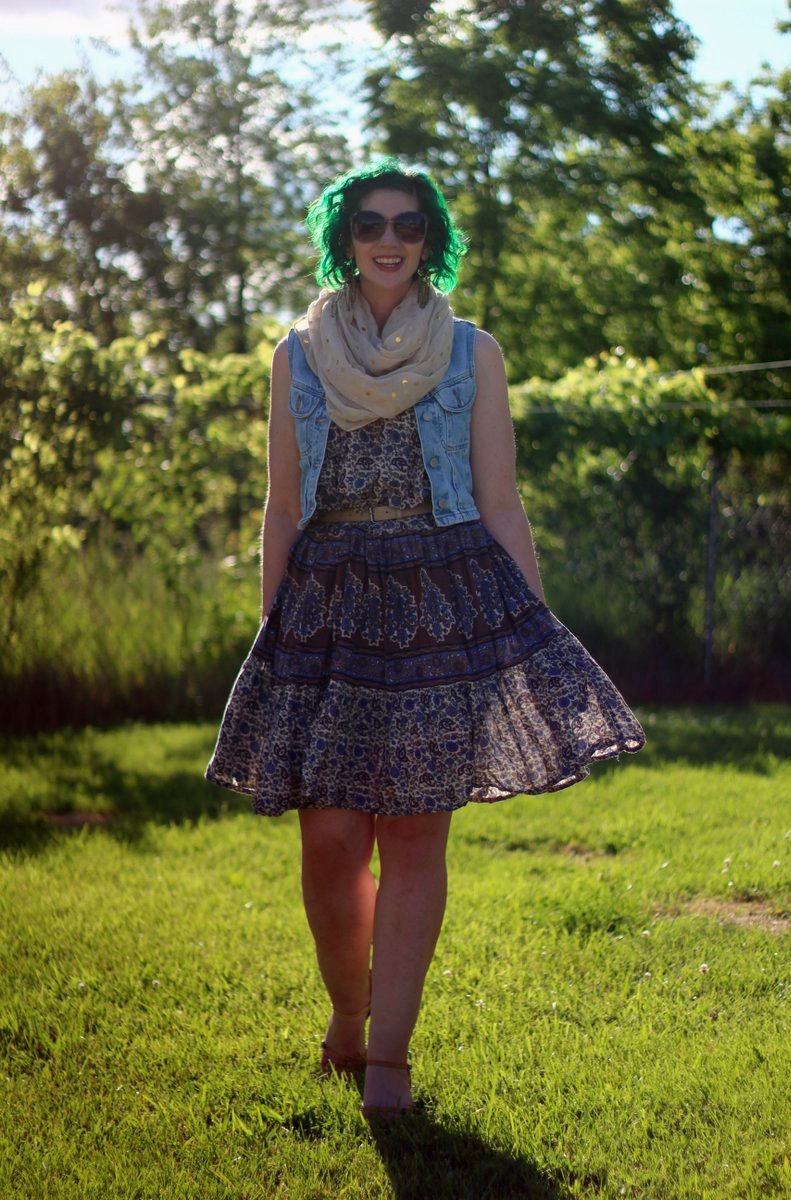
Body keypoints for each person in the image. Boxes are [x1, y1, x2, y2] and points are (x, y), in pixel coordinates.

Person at [205, 158, 645, 1118]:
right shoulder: (294, 356)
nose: (389, 239)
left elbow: (500, 498)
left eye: (408, 224)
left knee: (412, 831)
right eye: (370, 223)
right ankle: (348, 1015)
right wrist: (275, 632)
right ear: (345, 238)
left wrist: (527, 638)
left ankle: (388, 1061)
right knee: (329, 841)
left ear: (430, 241)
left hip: (442, 597)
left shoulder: (471, 352)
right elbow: (282, 505)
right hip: (327, 604)